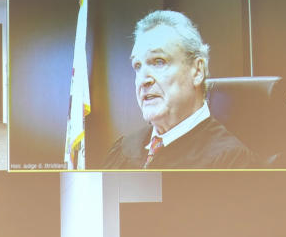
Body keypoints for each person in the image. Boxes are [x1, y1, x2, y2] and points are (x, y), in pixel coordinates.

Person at [103, 10, 257, 169]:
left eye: (158, 61)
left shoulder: (231, 162)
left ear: (197, 71)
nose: (143, 80)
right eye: (137, 66)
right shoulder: (123, 150)